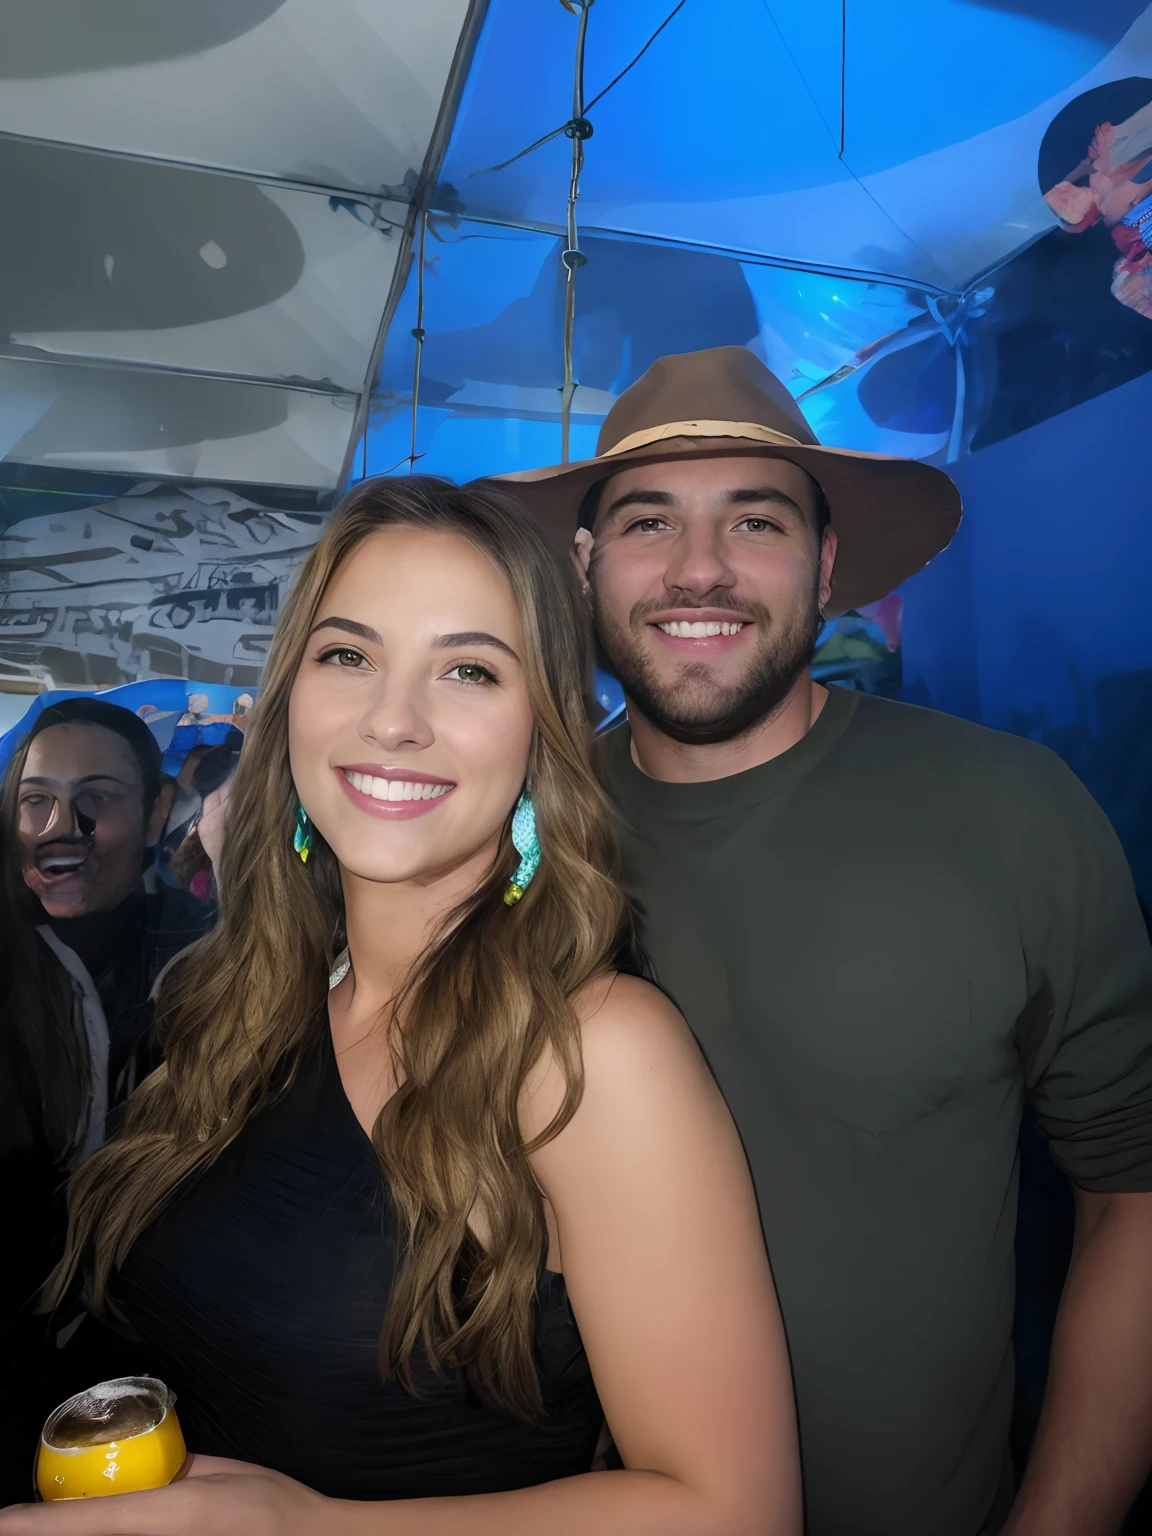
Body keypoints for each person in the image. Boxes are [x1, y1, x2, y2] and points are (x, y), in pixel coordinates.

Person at [0, 478, 801, 1535]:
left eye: (468, 670)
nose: (393, 720)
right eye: (349, 656)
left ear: (540, 735)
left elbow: (734, 1511)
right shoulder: (237, 1000)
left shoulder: (596, 1051)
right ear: (286, 699)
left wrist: (309, 1528)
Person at [485, 346, 1152, 1536]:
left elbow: (1134, 1195)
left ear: (826, 562)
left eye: (756, 522)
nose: (701, 571)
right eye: (648, 523)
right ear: (582, 565)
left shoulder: (1010, 812)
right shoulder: (510, 839)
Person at [5, 698, 212, 1120]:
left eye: (97, 797)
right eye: (37, 799)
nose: (61, 827)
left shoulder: (206, 952)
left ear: (155, 816)